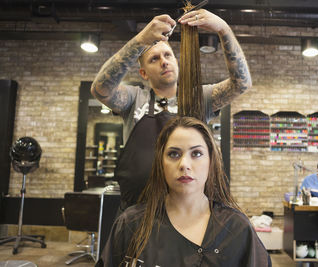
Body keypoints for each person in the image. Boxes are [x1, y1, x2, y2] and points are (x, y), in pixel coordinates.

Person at [91, 8, 252, 212]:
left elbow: (241, 83)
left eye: (168, 55)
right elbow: (100, 89)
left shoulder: (199, 98)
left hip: (191, 212)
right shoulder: (134, 99)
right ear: (144, 73)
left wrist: (224, 29)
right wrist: (141, 40)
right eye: (154, 59)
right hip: (139, 213)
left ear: (176, 61)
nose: (164, 61)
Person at [96, 116, 271, 267]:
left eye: (196, 153)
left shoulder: (237, 229)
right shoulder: (131, 224)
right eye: (173, 154)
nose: (184, 164)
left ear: (211, 162)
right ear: (161, 163)